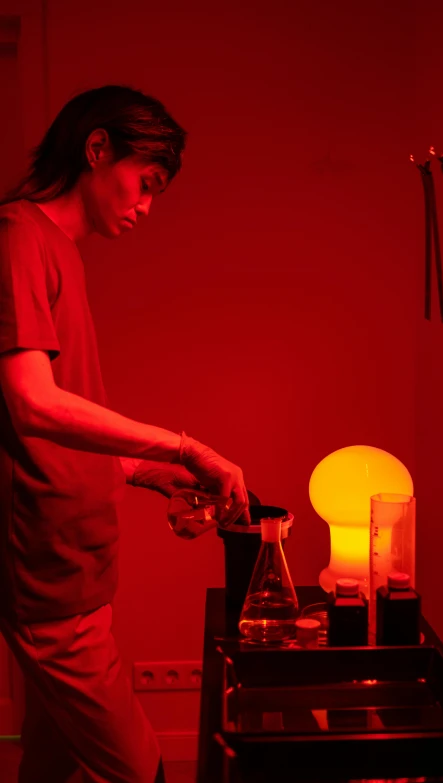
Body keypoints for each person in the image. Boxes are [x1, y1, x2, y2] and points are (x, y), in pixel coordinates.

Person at [0, 85, 251, 783]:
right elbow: (29, 404)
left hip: (82, 566)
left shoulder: (62, 252)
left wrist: (140, 471)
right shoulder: (18, 236)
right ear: (97, 148)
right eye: (146, 184)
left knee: (55, 764)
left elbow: (63, 420)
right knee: (145, 770)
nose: (145, 206)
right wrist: (181, 445)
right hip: (50, 584)